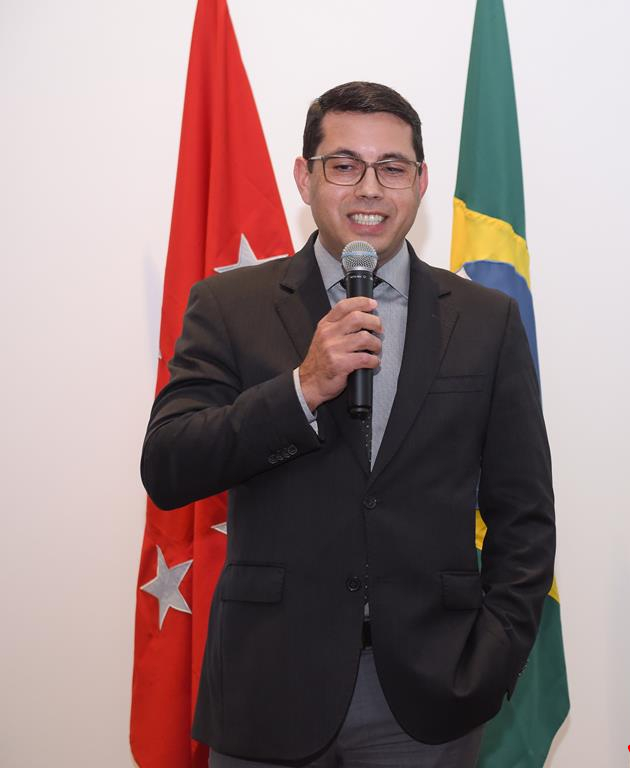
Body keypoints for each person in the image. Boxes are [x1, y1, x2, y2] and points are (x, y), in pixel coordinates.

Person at [141, 81, 555, 768]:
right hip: (268, 686)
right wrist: (301, 388)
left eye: (392, 167)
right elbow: (169, 466)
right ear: (304, 178)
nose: (369, 188)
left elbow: (524, 513)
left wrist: (493, 657)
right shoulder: (229, 304)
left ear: (420, 182)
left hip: (429, 697)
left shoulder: (486, 319)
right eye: (344, 165)